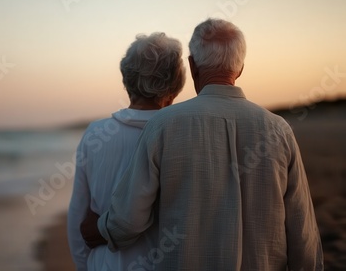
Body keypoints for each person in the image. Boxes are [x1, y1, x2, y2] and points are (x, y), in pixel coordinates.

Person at [83, 18, 324, 270]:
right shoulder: (279, 130)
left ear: (192, 66)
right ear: (240, 68)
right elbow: (302, 231)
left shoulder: (163, 125)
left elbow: (129, 220)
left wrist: (100, 229)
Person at [67, 32, 186, 271]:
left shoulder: (95, 134)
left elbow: (77, 218)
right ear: (174, 85)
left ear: (127, 78)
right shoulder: (181, 134)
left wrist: (87, 265)